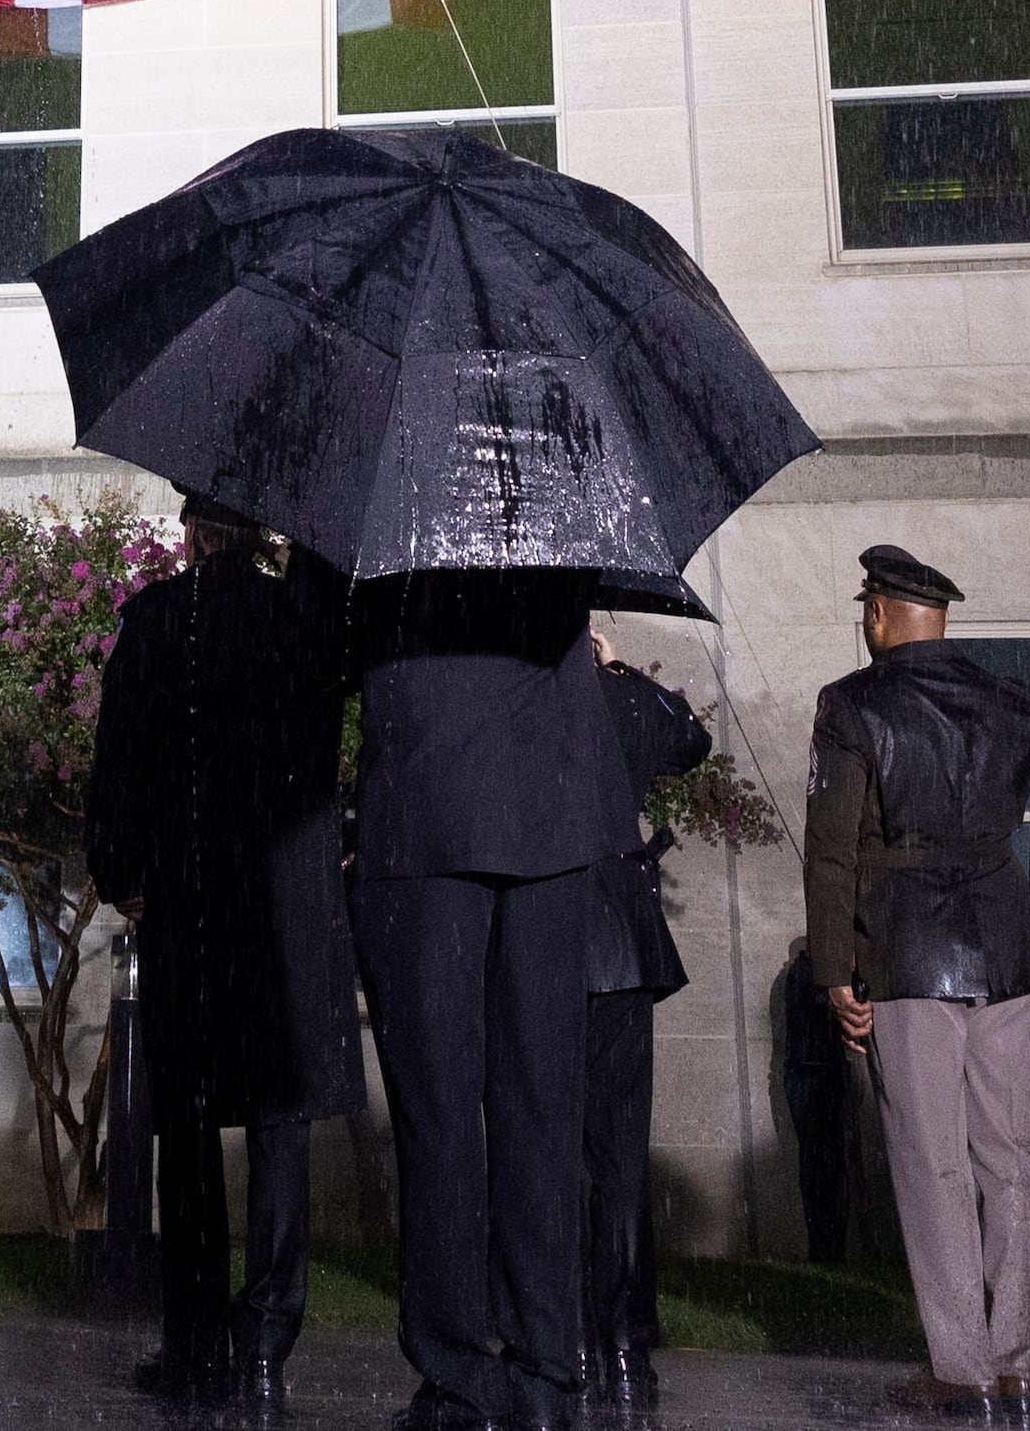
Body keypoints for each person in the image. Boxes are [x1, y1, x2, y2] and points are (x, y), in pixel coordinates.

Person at [85, 498, 361, 1413]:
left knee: (193, 1124)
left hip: (195, 896)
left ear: (196, 532)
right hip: (283, 902)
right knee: (279, 1119)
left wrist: (120, 866)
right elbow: (324, 759)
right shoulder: (305, 618)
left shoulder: (161, 618)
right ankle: (268, 1334)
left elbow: (118, 756)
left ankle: (196, 1336)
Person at [347, 559, 633, 1431]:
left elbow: (328, 642)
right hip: (548, 809)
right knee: (543, 1097)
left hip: (428, 805)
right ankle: (546, 1358)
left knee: (439, 1105)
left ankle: (458, 1359)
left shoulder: (380, 489)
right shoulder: (558, 473)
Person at [804, 543, 1030, 1418]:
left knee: (932, 1159)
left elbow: (833, 848)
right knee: (1014, 1158)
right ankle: (1020, 1358)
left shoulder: (853, 702)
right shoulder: (1018, 703)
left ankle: (964, 1365)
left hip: (910, 950)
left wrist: (837, 969)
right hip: (1008, 948)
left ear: (879, 613)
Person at [580, 636, 710, 1412]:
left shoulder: (532, 694)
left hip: (554, 941)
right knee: (619, 1156)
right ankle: (626, 1339)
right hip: (621, 943)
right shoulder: (622, 696)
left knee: (553, 1151)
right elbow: (688, 736)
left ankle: (565, 1333)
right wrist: (621, 669)